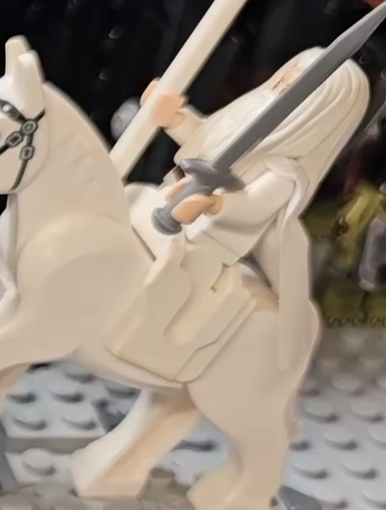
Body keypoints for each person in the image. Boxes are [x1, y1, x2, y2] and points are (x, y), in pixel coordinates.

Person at [138, 49, 370, 361]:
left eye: (291, 93)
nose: (277, 95)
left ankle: (151, 340)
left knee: (181, 275)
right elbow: (204, 139)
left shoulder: (285, 173)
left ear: (318, 113)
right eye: (282, 83)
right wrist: (173, 118)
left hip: (212, 238)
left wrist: (213, 204)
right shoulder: (241, 123)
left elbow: (253, 206)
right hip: (170, 199)